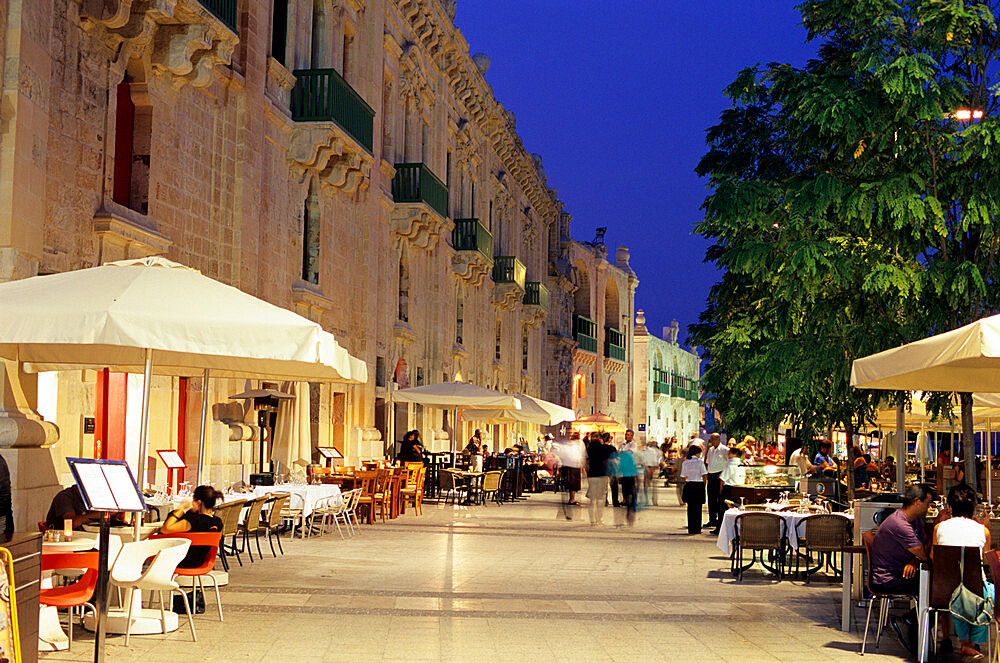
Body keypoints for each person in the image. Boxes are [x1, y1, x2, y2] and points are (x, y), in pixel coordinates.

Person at [932, 483, 993, 659]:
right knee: (990, 594)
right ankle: (971, 643)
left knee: (955, 588)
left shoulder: (939, 528)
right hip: (974, 592)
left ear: (950, 507)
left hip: (942, 592)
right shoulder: (983, 531)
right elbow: (987, 560)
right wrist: (985, 527)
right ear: (973, 507)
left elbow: (934, 556)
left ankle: (957, 640)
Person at [160, 485, 224, 614]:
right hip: (202, 562)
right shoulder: (218, 522)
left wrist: (182, 508)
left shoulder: (194, 521)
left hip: (183, 562)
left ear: (198, 502)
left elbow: (166, 529)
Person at [585, 433, 615, 526]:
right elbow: (607, 461)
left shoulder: (588, 449)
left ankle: (592, 520)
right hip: (602, 475)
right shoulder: (605, 449)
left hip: (592, 475)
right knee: (600, 498)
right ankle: (599, 519)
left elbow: (586, 462)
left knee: (592, 499)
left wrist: (588, 473)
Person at [680, 444, 708, 534]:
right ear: (697, 453)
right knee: (698, 508)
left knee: (690, 508)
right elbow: (704, 475)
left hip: (689, 485)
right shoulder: (700, 462)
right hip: (698, 485)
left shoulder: (685, 462)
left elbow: (682, 476)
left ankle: (691, 528)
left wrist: (687, 481)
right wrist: (703, 485)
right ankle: (697, 528)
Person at [704, 433, 728, 531]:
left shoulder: (724, 450)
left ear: (718, 439)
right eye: (710, 440)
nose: (711, 441)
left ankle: (718, 520)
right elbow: (708, 462)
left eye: (713, 439)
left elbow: (727, 462)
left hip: (719, 475)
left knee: (719, 498)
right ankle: (712, 519)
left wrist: (722, 473)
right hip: (711, 475)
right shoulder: (710, 450)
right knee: (711, 498)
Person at [641, 441, 662, 506]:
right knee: (654, 487)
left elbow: (643, 461)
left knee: (646, 486)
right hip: (655, 468)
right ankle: (655, 501)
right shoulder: (658, 452)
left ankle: (647, 500)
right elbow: (659, 461)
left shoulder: (645, 451)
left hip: (647, 468)